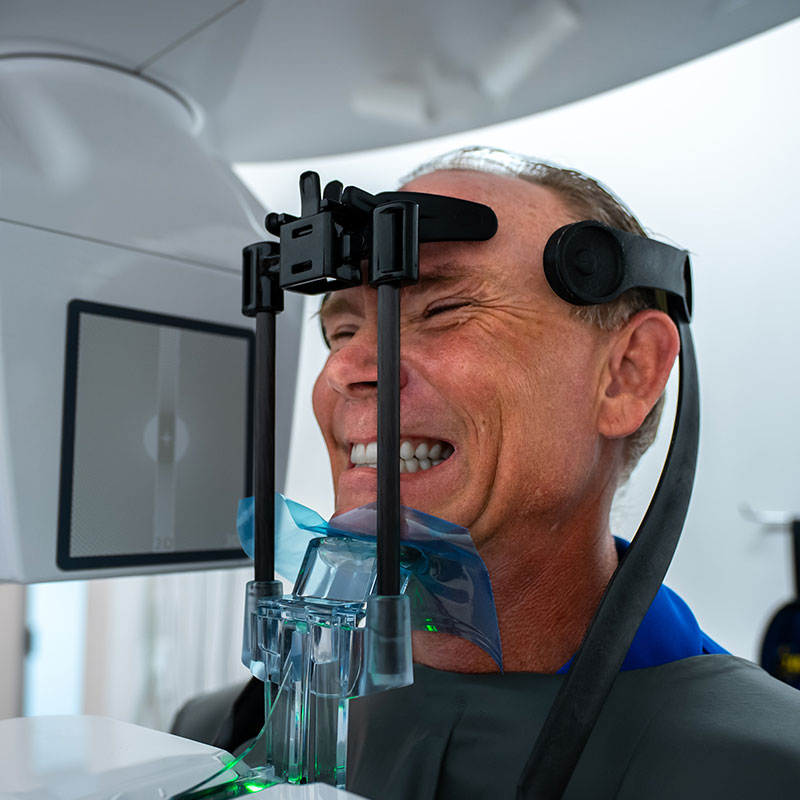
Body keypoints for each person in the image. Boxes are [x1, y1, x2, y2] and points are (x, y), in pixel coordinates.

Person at [174, 147, 800, 798]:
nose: (346, 370)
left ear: (626, 374)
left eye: (441, 311)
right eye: (340, 331)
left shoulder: (765, 770)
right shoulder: (223, 733)